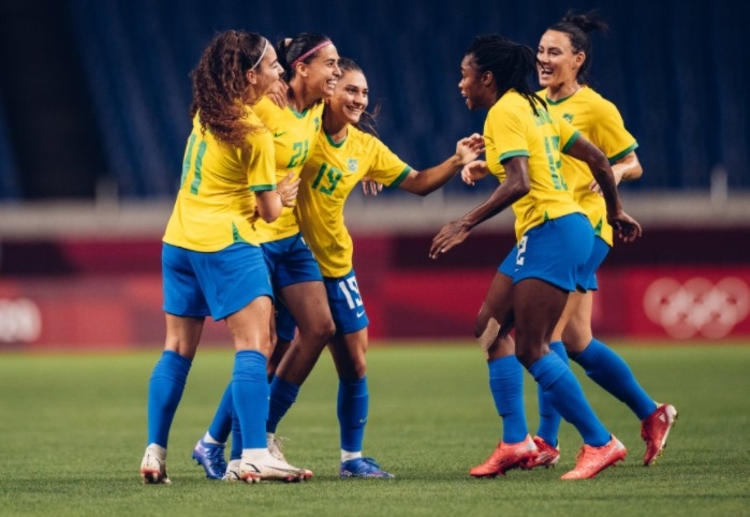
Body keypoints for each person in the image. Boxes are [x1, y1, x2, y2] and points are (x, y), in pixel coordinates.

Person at [261, 57, 485, 479]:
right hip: (290, 258)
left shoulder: (364, 149)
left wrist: (456, 161)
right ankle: (254, 442)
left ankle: (351, 458)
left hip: (335, 264)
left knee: (355, 363)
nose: (359, 98)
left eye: (364, 92)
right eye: (349, 89)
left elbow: (417, 182)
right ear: (328, 90)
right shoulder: (301, 122)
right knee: (268, 357)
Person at [430, 34, 641, 480]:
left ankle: (601, 442)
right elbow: (600, 159)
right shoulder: (535, 106)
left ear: (486, 78)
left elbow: (520, 182)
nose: (460, 84)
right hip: (556, 229)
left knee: (533, 346)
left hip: (553, 230)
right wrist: (615, 210)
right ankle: (515, 441)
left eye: (465, 76)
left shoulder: (504, 111)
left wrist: (463, 223)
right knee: (488, 328)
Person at [139, 30, 308, 485]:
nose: (280, 71)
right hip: (226, 242)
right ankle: (252, 453)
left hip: (178, 240)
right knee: (256, 344)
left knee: (176, 349)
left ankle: (155, 452)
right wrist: (284, 194)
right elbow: (269, 210)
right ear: (250, 74)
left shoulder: (206, 114)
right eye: (273, 64)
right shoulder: (253, 135)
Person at [524, 11, 677, 469]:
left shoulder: (596, 108)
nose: (544, 59)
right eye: (541, 51)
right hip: (550, 226)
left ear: (578, 59)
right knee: (577, 342)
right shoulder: (532, 104)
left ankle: (547, 443)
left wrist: (612, 173)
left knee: (542, 336)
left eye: (554, 52)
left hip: (586, 226)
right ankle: (652, 413)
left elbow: (633, 162)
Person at [192, 32, 341, 481]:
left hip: (291, 238)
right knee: (263, 347)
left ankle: (249, 436)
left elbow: (342, 131)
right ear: (301, 69)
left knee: (319, 328)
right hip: (256, 236)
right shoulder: (262, 106)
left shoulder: (315, 109)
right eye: (329, 64)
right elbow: (225, 120)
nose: (335, 72)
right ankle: (237, 444)